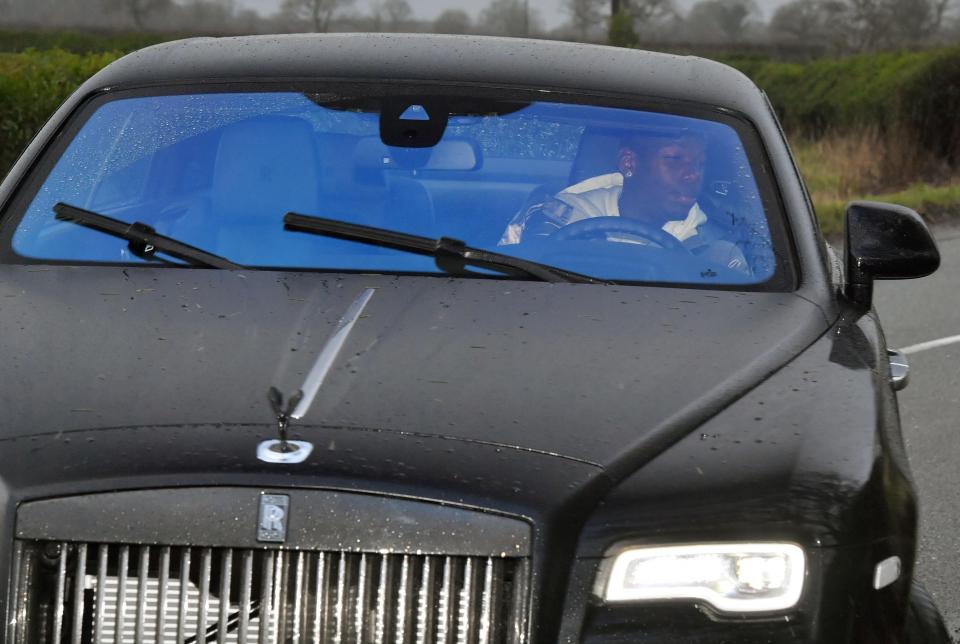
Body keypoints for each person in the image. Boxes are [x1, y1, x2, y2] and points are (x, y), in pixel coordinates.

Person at [498, 131, 761, 275]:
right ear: (629, 163)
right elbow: (510, 290)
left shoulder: (715, 250)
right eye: (674, 159)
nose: (693, 175)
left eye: (700, 163)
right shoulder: (555, 221)